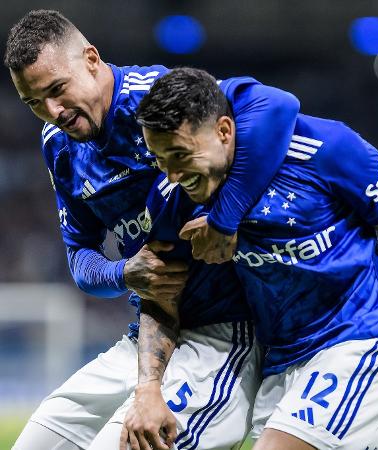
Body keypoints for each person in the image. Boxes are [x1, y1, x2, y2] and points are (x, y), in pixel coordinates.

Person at [5, 10, 300, 450]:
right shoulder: (59, 146)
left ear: (91, 59)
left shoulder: (156, 99)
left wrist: (226, 217)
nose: (52, 112)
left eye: (57, 90)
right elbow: (80, 257)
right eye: (34, 103)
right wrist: (125, 272)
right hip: (149, 333)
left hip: (223, 327)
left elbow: (275, 107)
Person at [135, 67, 378, 450]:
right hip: (280, 364)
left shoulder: (325, 148)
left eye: (181, 154)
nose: (171, 173)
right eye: (160, 158)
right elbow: (159, 293)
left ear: (224, 131)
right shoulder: (174, 198)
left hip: (358, 339)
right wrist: (148, 387)